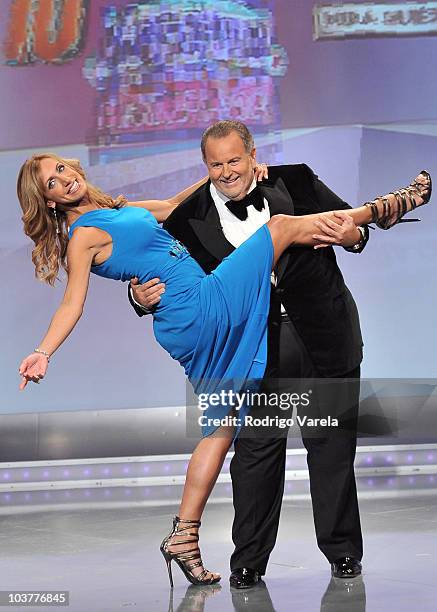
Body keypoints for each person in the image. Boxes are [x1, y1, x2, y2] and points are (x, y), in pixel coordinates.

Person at [17, 149, 430, 589]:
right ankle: (380, 210)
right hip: (198, 308)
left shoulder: (120, 210)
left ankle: (184, 536)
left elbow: (177, 205)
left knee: (221, 427)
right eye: (51, 183)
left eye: (61, 168)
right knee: (281, 229)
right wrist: (45, 350)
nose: (63, 180)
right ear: (49, 201)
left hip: (220, 314)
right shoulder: (82, 236)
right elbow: (72, 302)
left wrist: (231, 174)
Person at [128, 121, 432, 588]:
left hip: (323, 336)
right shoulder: (186, 217)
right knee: (255, 458)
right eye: (216, 164)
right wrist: (139, 298)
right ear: (204, 166)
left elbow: (353, 231)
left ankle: (343, 553)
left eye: (234, 160)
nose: (227, 172)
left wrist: (350, 237)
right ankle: (248, 560)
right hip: (251, 351)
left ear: (252, 154)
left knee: (331, 450)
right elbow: (160, 276)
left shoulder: (294, 179)